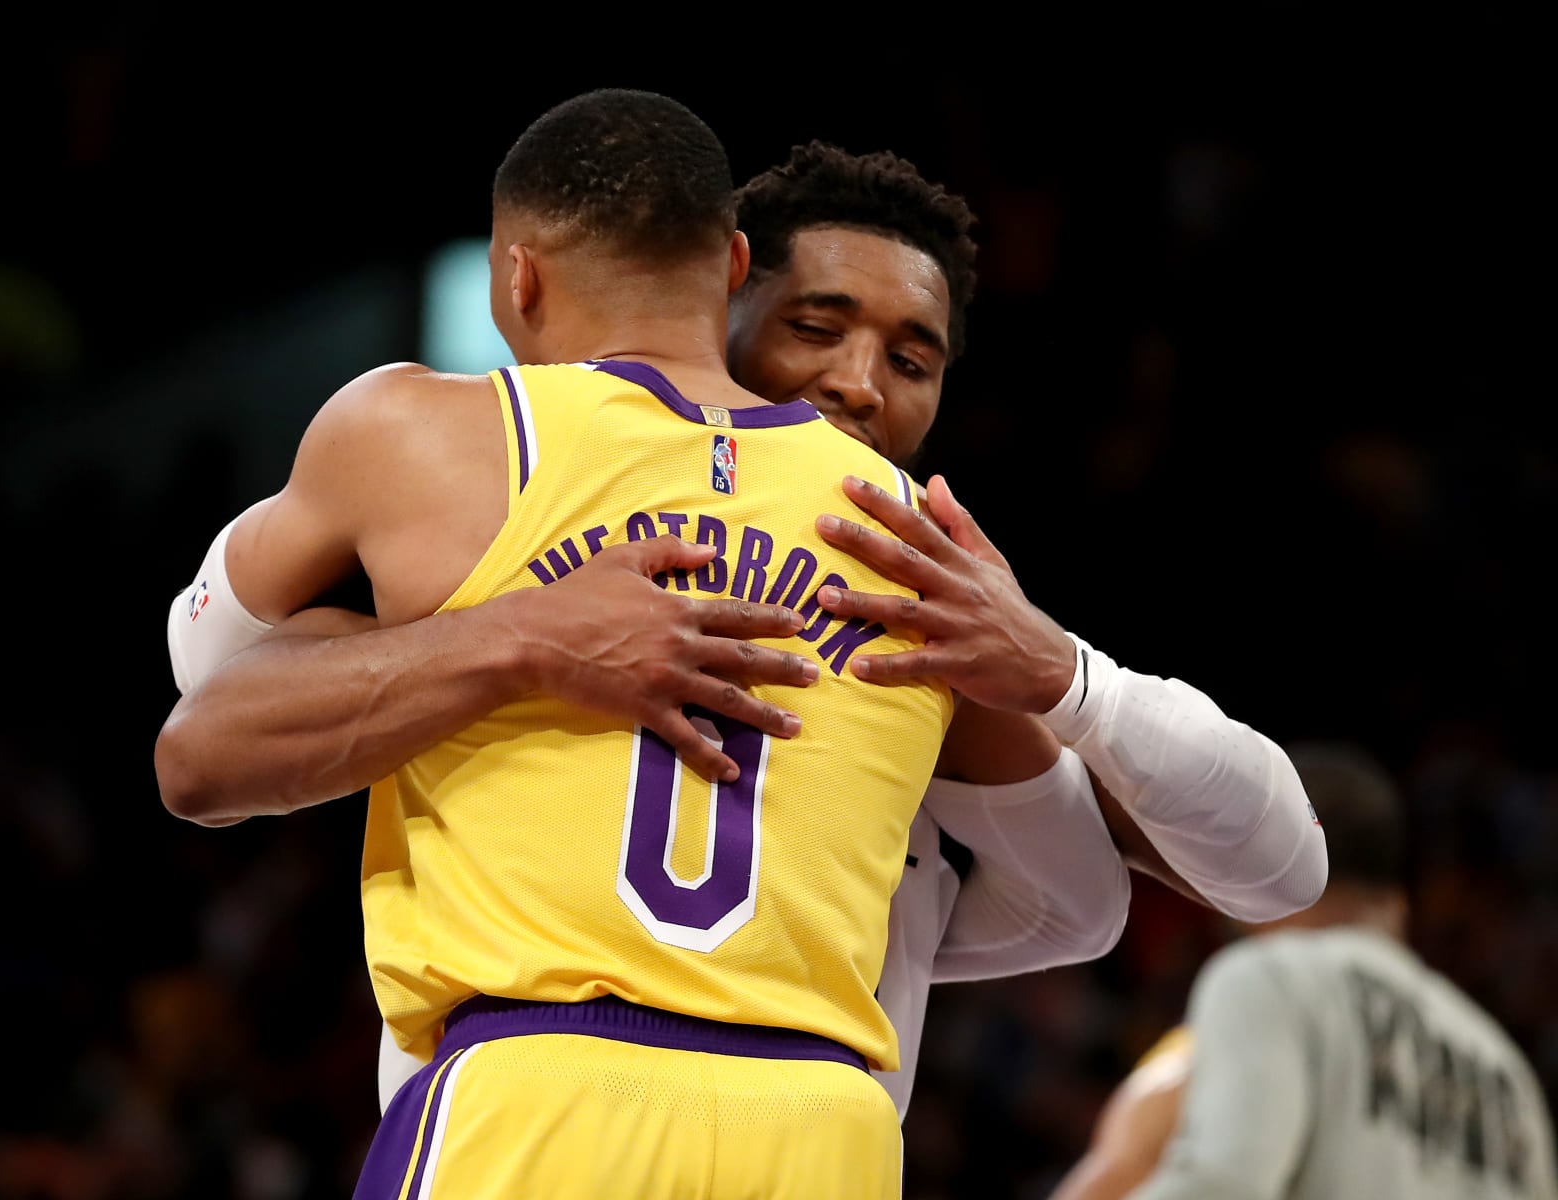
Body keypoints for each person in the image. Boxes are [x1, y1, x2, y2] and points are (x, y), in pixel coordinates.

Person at [156, 139, 1328, 1126]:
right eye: (818, 325)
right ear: (721, 295)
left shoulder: (931, 582)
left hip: (593, 1113)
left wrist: (1063, 683)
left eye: (910, 358)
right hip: (743, 1116)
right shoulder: (536, 479)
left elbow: (1220, 878)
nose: (859, 382)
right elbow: (1084, 902)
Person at [166, 87, 960, 1199]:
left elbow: (199, 728)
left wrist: (502, 633)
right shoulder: (927, 539)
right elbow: (1089, 890)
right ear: (734, 265)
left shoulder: (429, 433)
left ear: (516, 277)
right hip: (831, 1127)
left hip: (545, 1093)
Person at [1049, 741, 1558, 1200]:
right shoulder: (1508, 1073)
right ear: (1396, 898)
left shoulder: (1268, 979)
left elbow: (1222, 1184)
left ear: (1251, 869)